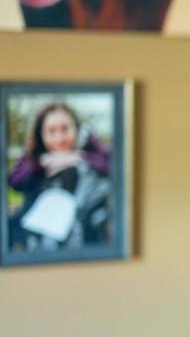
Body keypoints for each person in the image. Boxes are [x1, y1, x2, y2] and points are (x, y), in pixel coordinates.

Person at [8, 102, 112, 251]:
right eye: (51, 131)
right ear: (41, 134)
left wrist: (79, 158)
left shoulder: (89, 146)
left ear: (76, 128)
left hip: (85, 231)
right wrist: (42, 163)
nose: (59, 138)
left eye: (65, 129)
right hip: (39, 233)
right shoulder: (34, 155)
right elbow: (15, 180)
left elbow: (113, 168)